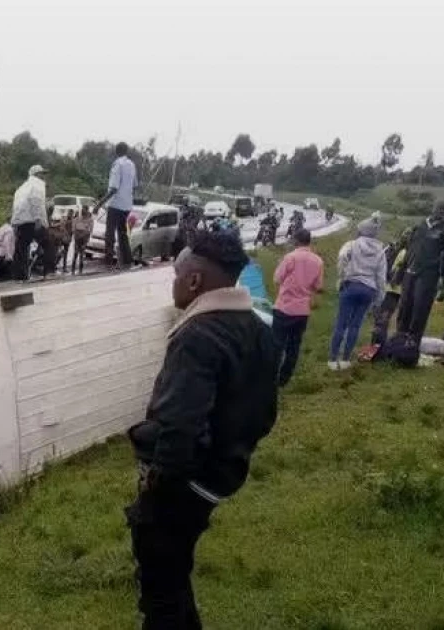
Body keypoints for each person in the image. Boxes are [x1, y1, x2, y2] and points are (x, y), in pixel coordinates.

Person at [127, 230, 278, 630]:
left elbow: (179, 426)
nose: (173, 283)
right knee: (175, 578)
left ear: (194, 281)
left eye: (175, 275)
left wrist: (157, 487)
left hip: (184, 486)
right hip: (222, 476)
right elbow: (265, 413)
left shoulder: (197, 335)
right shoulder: (259, 329)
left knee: (159, 592)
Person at [329, 218, 387, 370]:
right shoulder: (380, 250)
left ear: (361, 230)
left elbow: (342, 257)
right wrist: (379, 299)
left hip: (351, 285)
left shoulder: (352, 244)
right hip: (369, 289)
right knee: (355, 325)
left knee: (341, 323)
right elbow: (381, 277)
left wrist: (342, 277)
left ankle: (333, 360)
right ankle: (346, 359)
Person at [272, 228, 324, 386]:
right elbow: (318, 286)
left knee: (276, 344)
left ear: (296, 241)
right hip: (302, 311)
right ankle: (284, 379)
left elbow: (277, 278)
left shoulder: (290, 257)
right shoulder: (318, 261)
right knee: (294, 346)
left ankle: (270, 375)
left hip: (284, 307)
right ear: (309, 241)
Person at [396, 204, 444, 340]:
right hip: (409, 272)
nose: (440, 213)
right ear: (432, 209)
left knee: (420, 309)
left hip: (428, 276)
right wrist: (401, 270)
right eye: (439, 209)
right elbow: (410, 248)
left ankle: (412, 343)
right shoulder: (420, 225)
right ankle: (399, 341)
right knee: (405, 307)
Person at [93, 142, 137, 267]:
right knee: (123, 234)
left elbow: (113, 188)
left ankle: (108, 262)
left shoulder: (117, 165)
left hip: (116, 205)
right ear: (126, 151)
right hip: (127, 206)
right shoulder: (132, 165)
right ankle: (127, 261)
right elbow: (134, 186)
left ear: (117, 152)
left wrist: (99, 204)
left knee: (110, 234)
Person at [370, 227, 412, 345]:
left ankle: (377, 345)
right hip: (395, 290)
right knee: (383, 318)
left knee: (382, 318)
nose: (406, 237)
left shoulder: (398, 251)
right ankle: (379, 344)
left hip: (391, 289)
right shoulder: (407, 252)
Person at [11, 165, 49, 280]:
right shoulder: (37, 185)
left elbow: (16, 206)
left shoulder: (22, 187)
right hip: (33, 221)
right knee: (49, 244)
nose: (44, 176)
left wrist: (15, 223)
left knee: (21, 249)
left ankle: (19, 275)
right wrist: (39, 220)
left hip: (20, 222)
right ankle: (48, 271)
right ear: (36, 174)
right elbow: (36, 202)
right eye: (42, 174)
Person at [0, 215, 15, 283]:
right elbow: (6, 243)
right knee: (7, 278)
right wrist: (9, 256)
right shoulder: (9, 230)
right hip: (3, 256)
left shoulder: (0, 229)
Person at [71, 206, 93, 275]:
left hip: (84, 238)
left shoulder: (90, 220)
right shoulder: (77, 219)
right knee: (75, 254)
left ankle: (80, 270)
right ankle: (73, 270)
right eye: (82, 210)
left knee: (81, 255)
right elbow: (73, 230)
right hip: (77, 238)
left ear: (87, 211)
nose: (83, 212)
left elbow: (89, 231)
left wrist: (86, 241)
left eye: (84, 210)